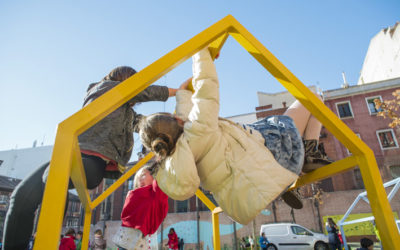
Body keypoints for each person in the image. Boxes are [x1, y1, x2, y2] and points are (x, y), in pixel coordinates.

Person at [138, 47, 332, 225]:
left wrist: (182, 93)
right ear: (174, 122)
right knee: (312, 99)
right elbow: (207, 91)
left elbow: (184, 116)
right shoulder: (198, 129)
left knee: (265, 141)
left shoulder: (178, 156)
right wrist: (202, 54)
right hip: (272, 155)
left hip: (246, 189)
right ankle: (309, 152)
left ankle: (296, 169)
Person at [2, 66, 178, 249]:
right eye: (133, 84)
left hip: (94, 164)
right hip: (74, 155)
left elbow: (148, 124)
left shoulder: (126, 113)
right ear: (124, 80)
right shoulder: (102, 89)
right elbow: (141, 90)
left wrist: (173, 121)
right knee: (20, 197)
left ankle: (46, 238)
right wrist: (177, 91)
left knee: (51, 177)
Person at [112, 163, 168, 250]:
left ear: (153, 176)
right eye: (138, 177)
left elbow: (160, 191)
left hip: (138, 241)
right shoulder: (134, 194)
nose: (140, 179)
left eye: (143, 175)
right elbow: (125, 216)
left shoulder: (154, 193)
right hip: (124, 240)